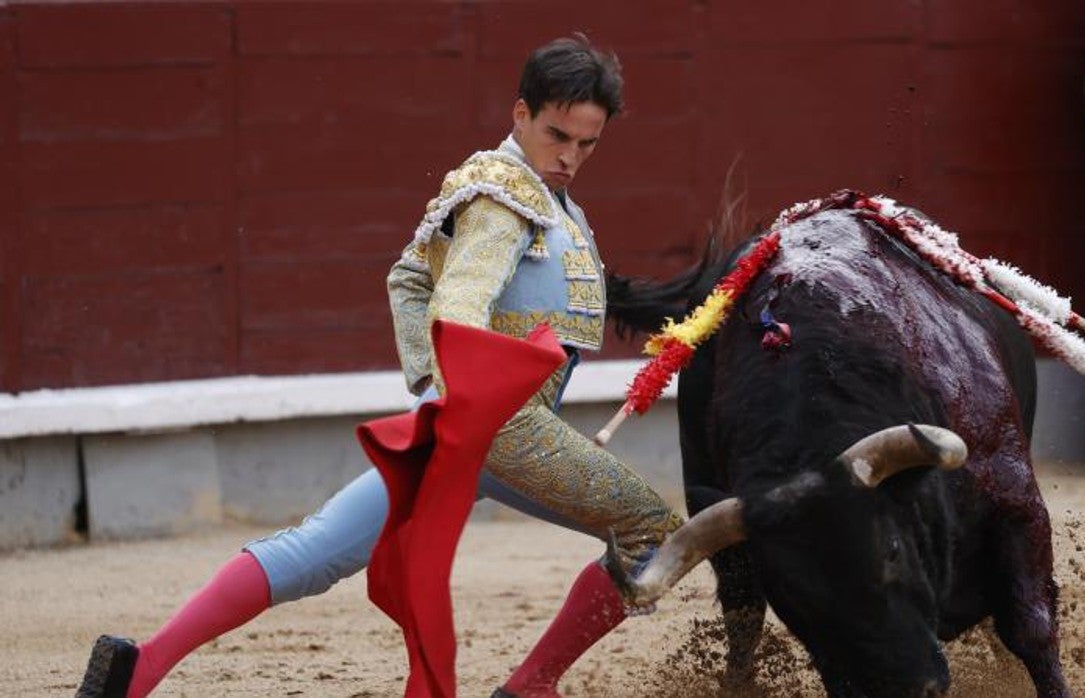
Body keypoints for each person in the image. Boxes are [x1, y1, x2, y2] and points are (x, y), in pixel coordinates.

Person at [76, 35, 683, 698]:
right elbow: (457, 297)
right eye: (556, 134)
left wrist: (435, 389)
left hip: (462, 426)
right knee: (653, 531)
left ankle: (144, 665)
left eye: (586, 144)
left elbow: (407, 277)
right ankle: (531, 685)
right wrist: (462, 388)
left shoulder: (548, 203)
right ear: (519, 114)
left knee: (316, 550)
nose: (568, 157)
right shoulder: (506, 197)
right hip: (506, 428)